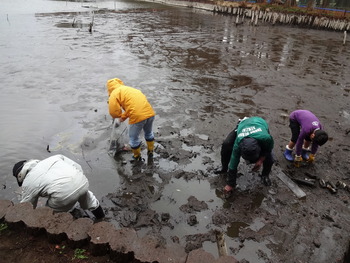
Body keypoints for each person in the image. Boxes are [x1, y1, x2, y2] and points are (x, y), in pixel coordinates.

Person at [12, 154, 105, 219]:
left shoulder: (28, 181)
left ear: (20, 176)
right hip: (82, 181)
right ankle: (102, 219)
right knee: (90, 200)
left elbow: (27, 206)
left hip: (63, 194)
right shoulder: (54, 158)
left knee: (49, 214)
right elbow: (77, 166)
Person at [215, 117, 274, 194]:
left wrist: (260, 160)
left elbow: (268, 149)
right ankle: (224, 168)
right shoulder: (238, 143)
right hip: (244, 124)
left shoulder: (266, 138)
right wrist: (230, 184)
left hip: (260, 123)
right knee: (226, 145)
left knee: (270, 158)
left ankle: (265, 175)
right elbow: (233, 162)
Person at [107, 78, 155, 161]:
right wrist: (123, 117)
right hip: (150, 113)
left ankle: (137, 157)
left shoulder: (114, 93)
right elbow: (133, 107)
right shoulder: (130, 90)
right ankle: (150, 152)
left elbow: (113, 111)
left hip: (137, 117)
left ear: (109, 89)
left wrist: (117, 117)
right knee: (149, 133)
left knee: (133, 137)